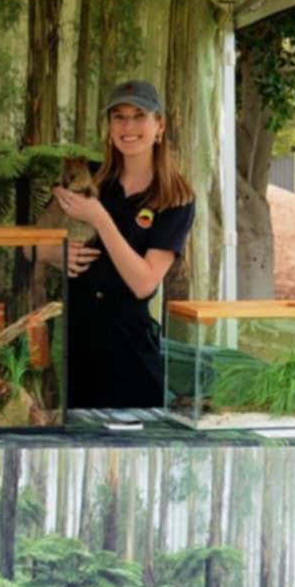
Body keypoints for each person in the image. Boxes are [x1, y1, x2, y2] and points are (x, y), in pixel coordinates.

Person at [51, 78, 195, 410]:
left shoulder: (176, 198)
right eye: (119, 117)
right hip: (76, 340)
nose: (128, 126)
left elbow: (144, 283)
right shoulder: (86, 175)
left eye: (138, 116)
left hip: (129, 345)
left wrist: (101, 219)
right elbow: (31, 244)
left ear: (159, 126)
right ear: (110, 127)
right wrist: (53, 253)